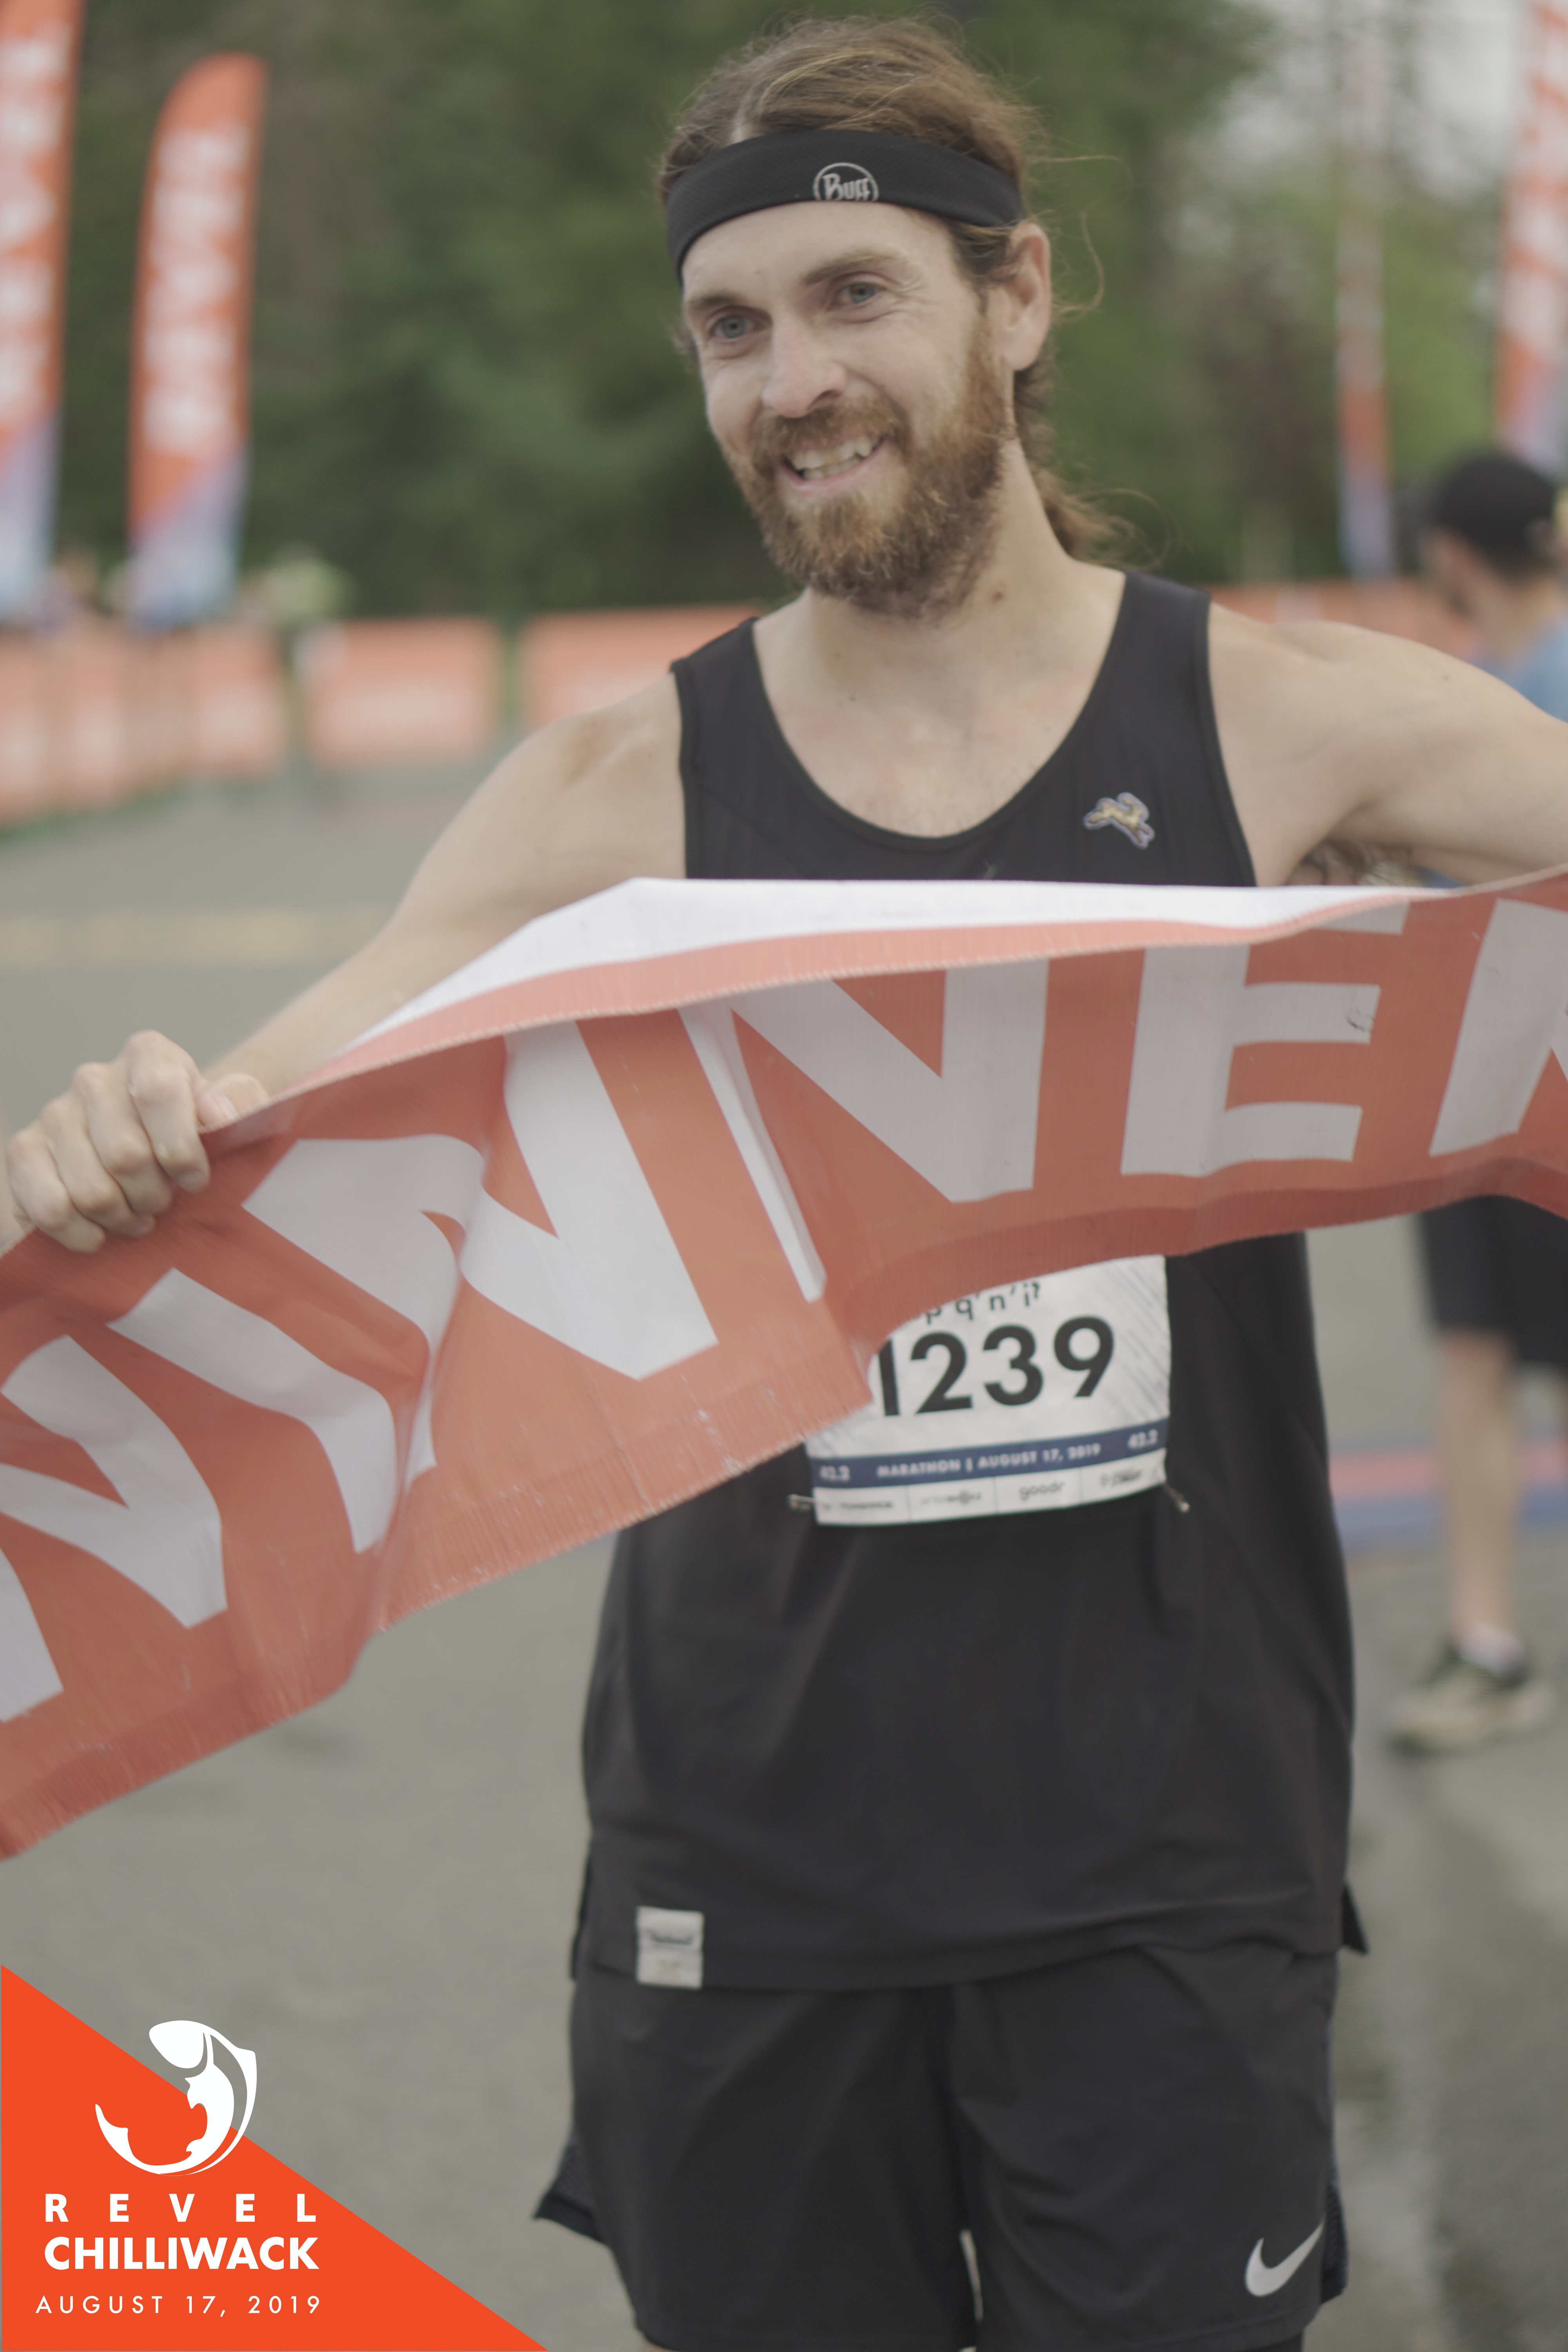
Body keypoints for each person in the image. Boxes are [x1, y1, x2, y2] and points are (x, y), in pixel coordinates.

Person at [14, 19, 1568, 2351]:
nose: (791, 382)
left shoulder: (1290, 730)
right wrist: (119, 1131)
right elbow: (245, 1125)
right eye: (730, 328)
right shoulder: (610, 794)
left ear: (1012, 297)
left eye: (853, 297)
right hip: (741, 1881)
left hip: (1171, 1859)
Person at [1387, 449, 1568, 1754]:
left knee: (1477, 1362)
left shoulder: (1462, 709)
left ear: (1452, 555)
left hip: (1489, 1075)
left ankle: (1490, 1644)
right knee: (1479, 1359)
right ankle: (1486, 1647)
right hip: (1496, 1073)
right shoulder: (1479, 691)